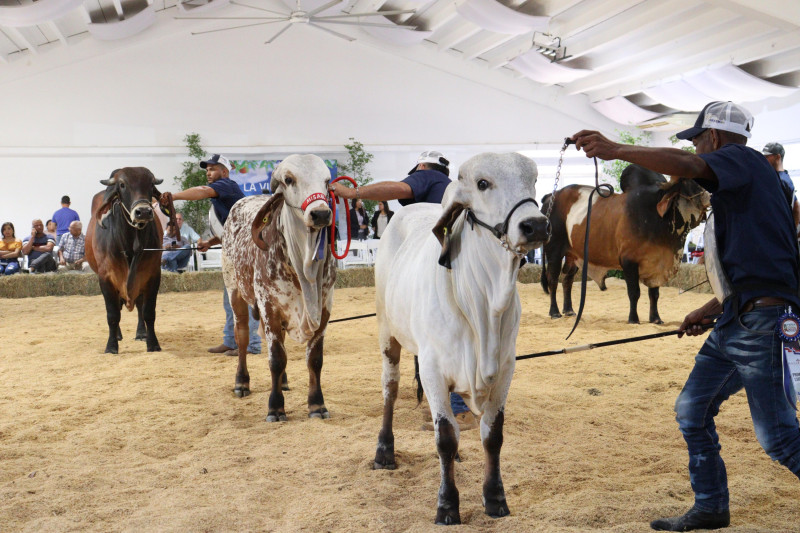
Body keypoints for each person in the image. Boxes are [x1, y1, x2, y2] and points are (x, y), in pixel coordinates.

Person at [572, 101, 800, 532]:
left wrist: (616, 149)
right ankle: (712, 506)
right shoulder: (755, 184)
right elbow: (761, 265)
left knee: (780, 439)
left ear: (712, 138)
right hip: (740, 317)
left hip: (762, 326)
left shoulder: (738, 159)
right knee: (692, 411)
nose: (694, 153)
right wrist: (710, 308)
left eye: (697, 141)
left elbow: (685, 163)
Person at [330, 150, 477, 431]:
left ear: (422, 166)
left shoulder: (427, 177)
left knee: (438, 332)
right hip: (459, 261)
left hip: (431, 260)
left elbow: (400, 188)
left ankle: (458, 410)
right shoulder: (452, 189)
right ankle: (448, 402)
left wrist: (352, 193)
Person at [161, 154, 260, 356]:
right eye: (207, 170)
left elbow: (203, 191)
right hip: (235, 249)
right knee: (230, 299)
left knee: (246, 299)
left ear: (224, 171)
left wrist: (174, 196)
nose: (208, 173)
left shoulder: (226, 185)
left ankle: (252, 345)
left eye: (212, 169)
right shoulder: (222, 195)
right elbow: (229, 229)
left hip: (246, 251)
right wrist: (209, 242)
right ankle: (231, 341)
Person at [762, 142, 800, 233]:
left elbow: (796, 208)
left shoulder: (780, 180)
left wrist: (791, 232)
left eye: (767, 156)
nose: (764, 159)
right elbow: (796, 206)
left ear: (777, 157)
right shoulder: (785, 177)